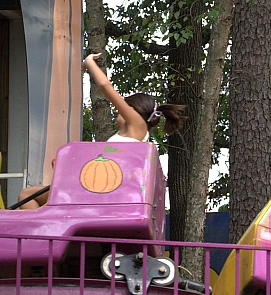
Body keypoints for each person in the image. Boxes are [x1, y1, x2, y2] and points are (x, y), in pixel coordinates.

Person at [17, 52, 186, 209]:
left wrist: (89, 62)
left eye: (120, 111)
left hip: (97, 192)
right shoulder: (136, 135)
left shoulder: (137, 125)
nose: (116, 116)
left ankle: (35, 229)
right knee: (29, 195)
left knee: (27, 196)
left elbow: (105, 86)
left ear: (132, 109)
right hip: (99, 188)